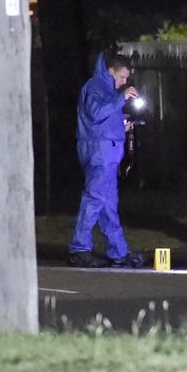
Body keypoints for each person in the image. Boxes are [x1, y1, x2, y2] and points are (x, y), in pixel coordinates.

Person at [68, 52, 145, 268]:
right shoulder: (96, 86)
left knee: (108, 203)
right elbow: (96, 112)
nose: (124, 82)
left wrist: (122, 123)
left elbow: (103, 117)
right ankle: (79, 248)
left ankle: (118, 251)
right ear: (111, 71)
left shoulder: (105, 88)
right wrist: (121, 98)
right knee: (94, 198)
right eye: (122, 77)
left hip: (106, 149)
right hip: (99, 150)